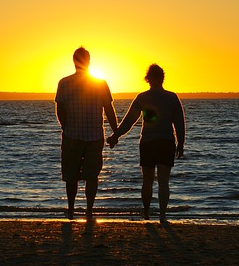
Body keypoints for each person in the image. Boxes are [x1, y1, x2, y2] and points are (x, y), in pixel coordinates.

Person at [107, 64, 185, 222]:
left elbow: (129, 121)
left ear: (148, 79)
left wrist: (116, 136)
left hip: (148, 142)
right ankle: (162, 216)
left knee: (147, 181)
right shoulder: (171, 97)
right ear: (162, 77)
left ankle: (147, 213)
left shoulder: (143, 97)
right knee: (163, 182)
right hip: (166, 142)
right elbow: (179, 123)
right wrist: (180, 143)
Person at [55, 47, 118, 220]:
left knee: (71, 176)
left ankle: (71, 210)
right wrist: (116, 132)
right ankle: (89, 211)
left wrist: (65, 127)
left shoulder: (64, 83)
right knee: (92, 176)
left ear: (74, 61)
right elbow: (109, 109)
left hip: (72, 136)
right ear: (88, 61)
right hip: (94, 136)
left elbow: (60, 109)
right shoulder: (100, 83)